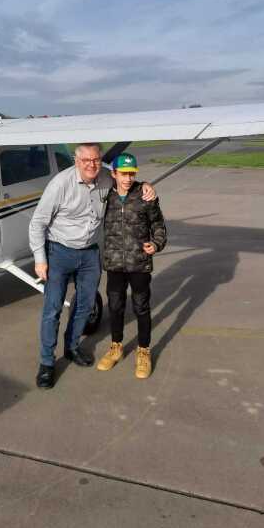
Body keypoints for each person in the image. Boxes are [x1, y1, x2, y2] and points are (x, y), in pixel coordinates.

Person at [29, 143, 156, 389]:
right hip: (59, 252)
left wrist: (147, 186)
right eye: (86, 160)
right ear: (76, 161)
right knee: (53, 309)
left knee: (86, 305)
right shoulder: (60, 184)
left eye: (96, 159)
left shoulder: (106, 177)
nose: (92, 164)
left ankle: (72, 347)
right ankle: (46, 363)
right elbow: (37, 223)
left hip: (89, 253)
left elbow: (127, 181)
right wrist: (40, 259)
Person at [97, 152, 167, 379]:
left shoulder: (145, 196)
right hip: (114, 264)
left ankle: (143, 351)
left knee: (141, 307)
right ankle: (116, 346)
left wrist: (156, 244)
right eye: (123, 174)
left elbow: (158, 225)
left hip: (139, 263)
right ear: (114, 174)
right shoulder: (105, 196)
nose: (128, 179)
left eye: (132, 174)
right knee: (115, 306)